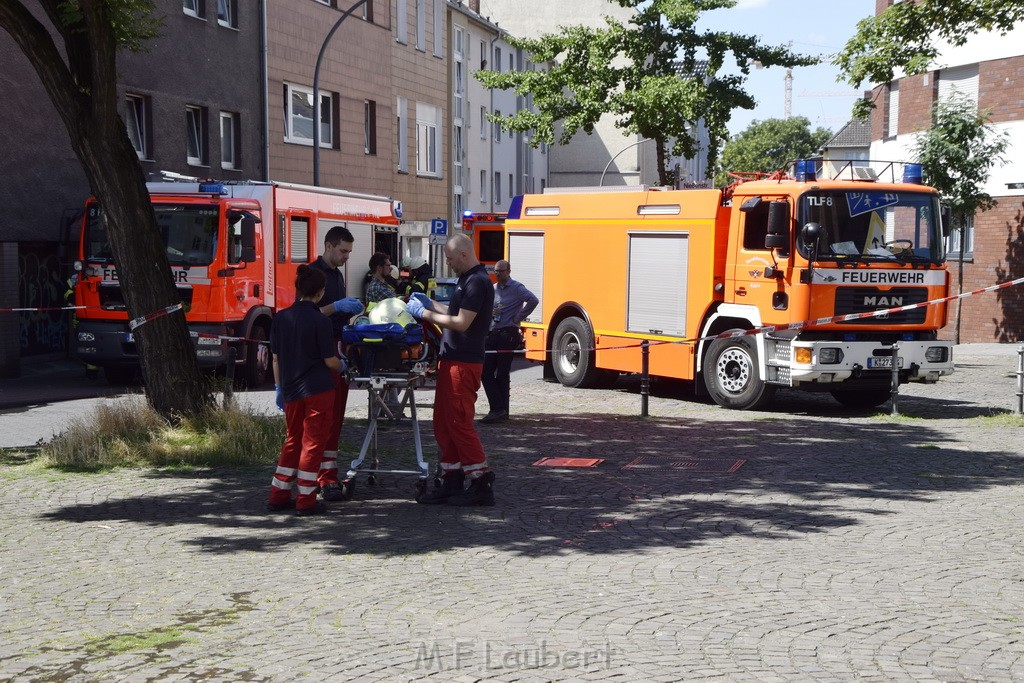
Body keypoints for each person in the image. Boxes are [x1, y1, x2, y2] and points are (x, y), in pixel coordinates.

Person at [405, 234, 496, 506]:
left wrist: (424, 315)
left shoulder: (477, 282)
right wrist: (430, 304)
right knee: (444, 423)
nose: (448, 262)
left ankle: (481, 482)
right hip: (453, 360)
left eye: (450, 257)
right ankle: (452, 478)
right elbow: (455, 311)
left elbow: (461, 322)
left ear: (464, 255)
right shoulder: (467, 280)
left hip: (464, 362)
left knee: (458, 422)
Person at [267, 266, 347, 516]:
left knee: (292, 441)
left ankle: (278, 495)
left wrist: (279, 387)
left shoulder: (281, 318)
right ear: (321, 292)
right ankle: (306, 499)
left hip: (290, 391)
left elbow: (276, 358)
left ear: (298, 289)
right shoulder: (320, 321)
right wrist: (344, 364)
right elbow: (329, 361)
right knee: (313, 444)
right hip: (318, 391)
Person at [310, 225, 364, 501]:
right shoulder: (312, 274)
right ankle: (320, 478)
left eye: (349, 252)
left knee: (335, 419)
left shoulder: (337, 275)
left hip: (337, 346)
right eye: (343, 251)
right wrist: (335, 308)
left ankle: (327, 474)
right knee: (323, 419)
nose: (346, 257)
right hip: (320, 354)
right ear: (328, 246)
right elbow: (305, 314)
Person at [480, 260, 538, 424]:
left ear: (509, 271)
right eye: (496, 271)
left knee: (503, 373)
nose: (498, 274)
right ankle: (498, 408)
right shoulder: (493, 289)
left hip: (508, 334)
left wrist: (519, 317)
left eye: (501, 271)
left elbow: (533, 300)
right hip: (493, 333)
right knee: (486, 372)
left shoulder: (517, 288)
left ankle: (500, 411)